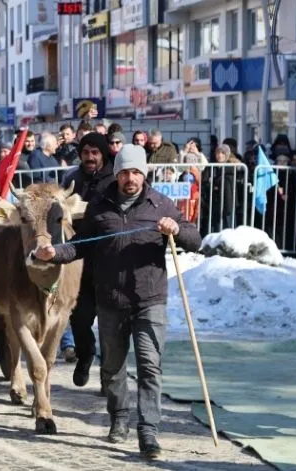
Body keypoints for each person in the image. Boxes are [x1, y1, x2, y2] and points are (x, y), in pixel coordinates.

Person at [33, 144, 202, 459]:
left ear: (144, 174)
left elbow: (195, 239)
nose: (131, 178)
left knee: (150, 366)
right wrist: (55, 253)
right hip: (110, 300)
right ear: (118, 173)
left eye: (136, 172)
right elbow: (79, 245)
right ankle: (119, 417)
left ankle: (148, 431)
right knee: (112, 366)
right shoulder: (100, 206)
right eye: (125, 172)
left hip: (150, 299)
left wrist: (176, 229)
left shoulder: (161, 204)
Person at [60, 132, 115, 391]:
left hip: (109, 260)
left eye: (95, 153)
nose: (90, 158)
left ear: (103, 154)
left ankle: (108, 378)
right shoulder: (72, 179)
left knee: (109, 323)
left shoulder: (115, 179)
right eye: (85, 153)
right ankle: (85, 355)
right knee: (79, 320)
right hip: (78, 260)